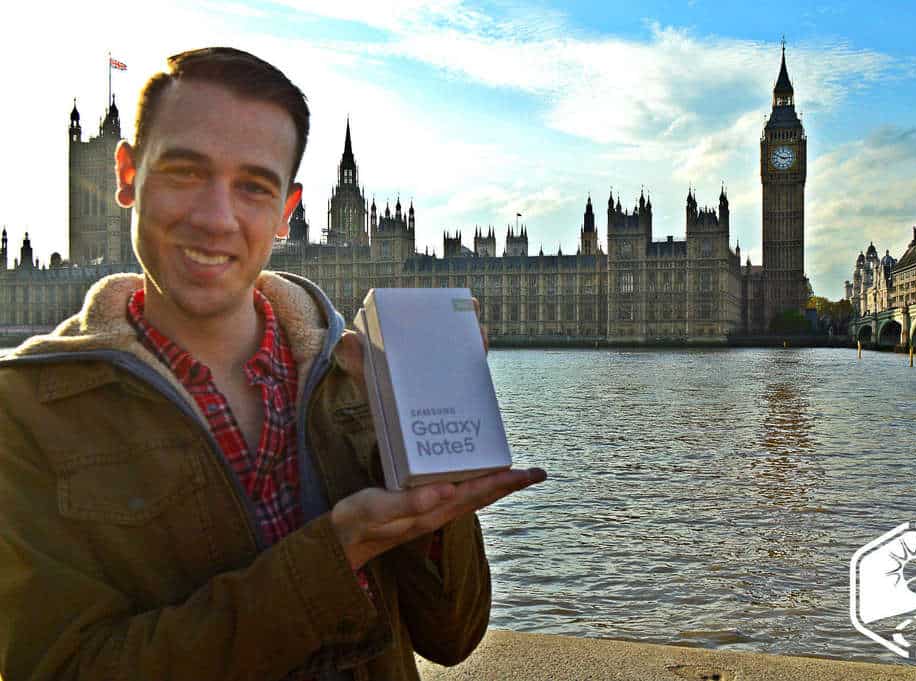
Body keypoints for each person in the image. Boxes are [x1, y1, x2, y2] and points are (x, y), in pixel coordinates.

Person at [0, 47, 545, 680]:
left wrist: (434, 482)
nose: (215, 218)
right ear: (124, 175)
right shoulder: (27, 415)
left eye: (253, 186)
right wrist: (337, 553)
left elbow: (451, 636)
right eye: (183, 171)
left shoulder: (359, 381)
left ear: (289, 210)